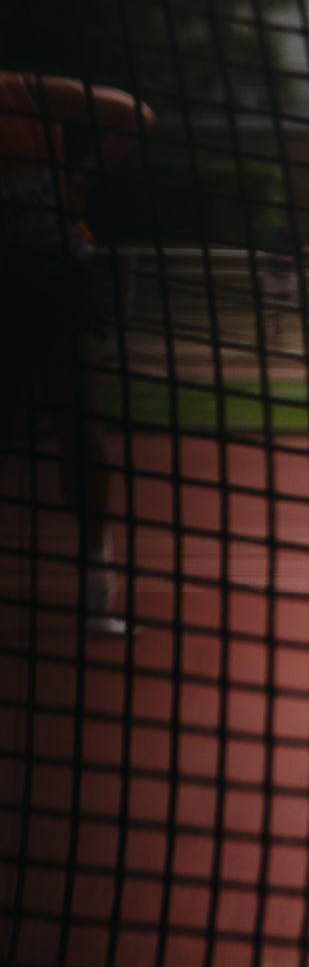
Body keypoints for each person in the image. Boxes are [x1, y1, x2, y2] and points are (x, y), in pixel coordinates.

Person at [0, 69, 153, 637]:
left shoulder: (26, 91)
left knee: (79, 430)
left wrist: (84, 175)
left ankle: (96, 587)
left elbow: (137, 114)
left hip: (59, 276)